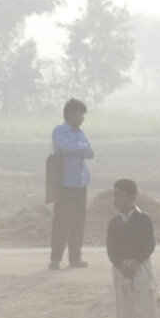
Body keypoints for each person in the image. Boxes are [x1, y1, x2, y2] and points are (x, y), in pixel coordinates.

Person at [106, 177, 160, 318]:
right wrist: (120, 265)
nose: (116, 200)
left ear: (131, 197)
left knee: (147, 308)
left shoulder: (144, 219)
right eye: (115, 195)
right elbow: (111, 249)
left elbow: (149, 244)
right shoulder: (114, 223)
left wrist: (137, 262)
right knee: (126, 311)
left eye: (120, 196)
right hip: (121, 271)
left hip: (141, 268)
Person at [50, 98, 95, 270]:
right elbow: (66, 147)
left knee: (79, 221)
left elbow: (90, 152)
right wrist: (80, 147)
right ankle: (55, 258)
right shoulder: (59, 131)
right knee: (62, 221)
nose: (82, 118)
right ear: (71, 114)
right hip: (65, 182)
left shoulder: (80, 133)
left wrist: (78, 147)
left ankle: (75, 257)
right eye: (80, 114)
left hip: (81, 182)